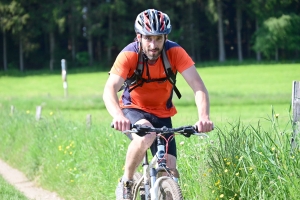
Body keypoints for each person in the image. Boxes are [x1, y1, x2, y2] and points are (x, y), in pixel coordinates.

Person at [103, 8, 214, 200]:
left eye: (158, 39)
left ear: (165, 37)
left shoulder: (175, 52)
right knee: (146, 136)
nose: (153, 45)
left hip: (163, 113)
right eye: (148, 38)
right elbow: (109, 89)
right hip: (133, 109)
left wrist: (203, 117)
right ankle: (127, 182)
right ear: (139, 37)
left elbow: (198, 86)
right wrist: (118, 116)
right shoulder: (129, 55)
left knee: (170, 170)